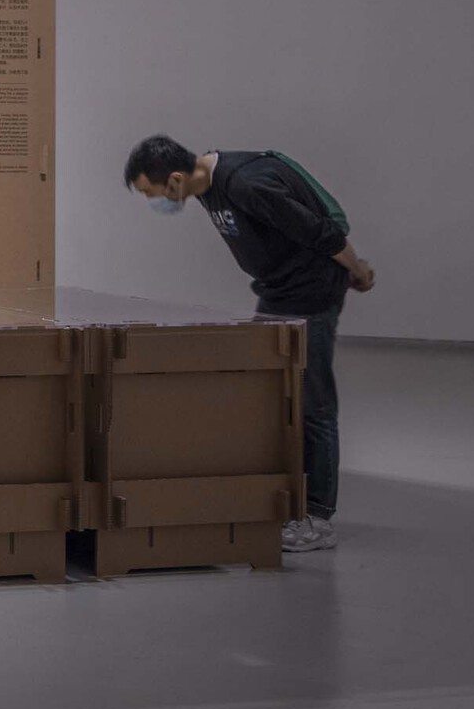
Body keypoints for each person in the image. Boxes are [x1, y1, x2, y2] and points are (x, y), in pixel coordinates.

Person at [124, 135, 376, 553]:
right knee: (273, 396)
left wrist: (358, 270)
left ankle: (317, 516)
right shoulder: (206, 185)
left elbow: (321, 231)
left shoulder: (247, 183)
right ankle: (279, 496)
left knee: (313, 402)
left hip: (312, 291)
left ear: (173, 180)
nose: (155, 203)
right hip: (276, 290)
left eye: (151, 194)